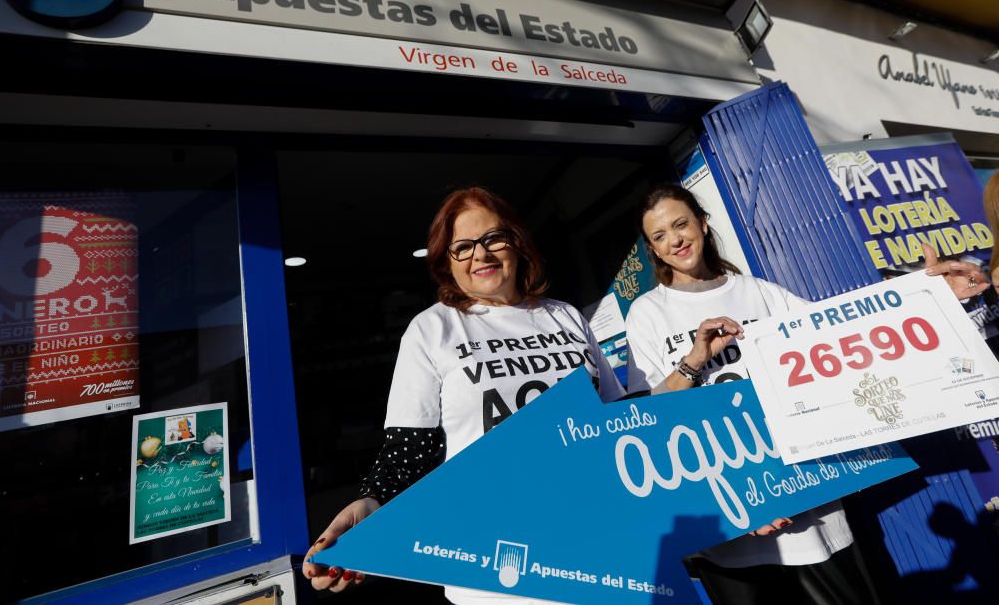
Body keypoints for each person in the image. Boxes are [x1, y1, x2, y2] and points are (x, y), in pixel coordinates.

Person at [625, 183, 987, 605]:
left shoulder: (759, 292)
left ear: (703, 224)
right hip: (731, 525)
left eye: (681, 224)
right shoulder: (648, 313)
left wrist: (932, 297)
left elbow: (847, 338)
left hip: (809, 505)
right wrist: (692, 361)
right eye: (660, 236)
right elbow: (651, 419)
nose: (675, 240)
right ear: (653, 249)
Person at [303, 186, 641, 604]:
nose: (480, 254)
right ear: (448, 262)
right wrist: (372, 504)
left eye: (493, 238)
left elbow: (620, 420)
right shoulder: (432, 329)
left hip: (603, 544)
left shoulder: (565, 315)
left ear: (517, 244)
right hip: (498, 571)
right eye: (461, 247)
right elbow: (408, 451)